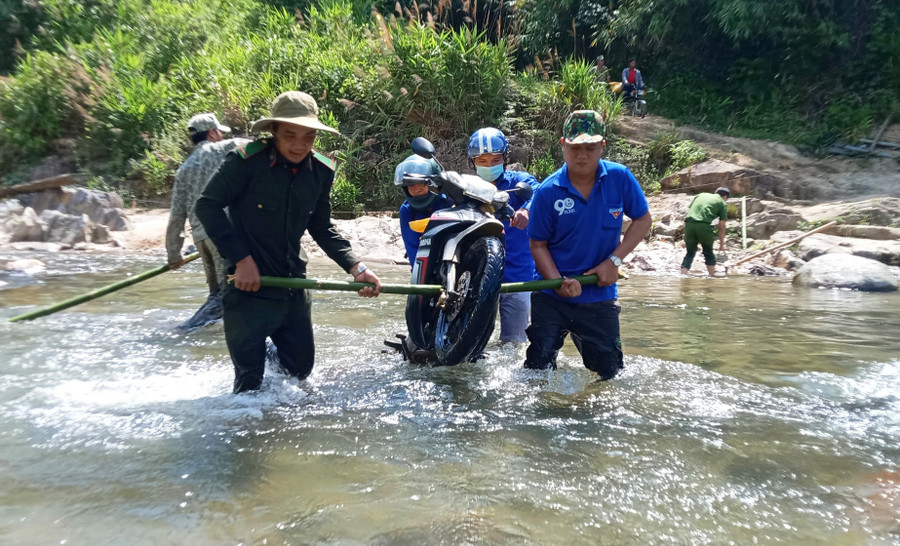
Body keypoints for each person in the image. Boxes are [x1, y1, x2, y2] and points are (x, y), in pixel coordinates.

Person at [195, 91, 382, 393]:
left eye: (308, 137)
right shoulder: (245, 162)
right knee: (248, 386)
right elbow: (207, 206)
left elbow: (321, 227)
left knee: (299, 371)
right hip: (247, 288)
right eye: (290, 135)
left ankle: (270, 355)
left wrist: (357, 267)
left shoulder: (321, 170)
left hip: (292, 285)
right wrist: (241, 259)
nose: (299, 145)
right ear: (273, 132)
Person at [524, 110, 652, 379]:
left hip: (599, 292)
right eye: (575, 148)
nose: (582, 155)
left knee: (610, 373)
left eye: (590, 148)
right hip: (550, 295)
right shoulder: (548, 191)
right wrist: (557, 281)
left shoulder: (620, 178)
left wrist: (613, 262)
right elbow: (538, 245)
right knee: (537, 370)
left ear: (602, 146)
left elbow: (643, 219)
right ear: (562, 146)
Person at [166, 113, 250, 332]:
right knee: (228, 294)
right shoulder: (224, 148)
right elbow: (259, 145)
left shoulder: (184, 169)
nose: (221, 135)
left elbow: (176, 216)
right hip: (223, 239)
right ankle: (186, 331)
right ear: (212, 133)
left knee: (216, 292)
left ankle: (206, 334)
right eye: (219, 131)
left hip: (202, 240)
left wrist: (174, 255)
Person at [467, 127, 540, 343]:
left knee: (515, 341)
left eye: (495, 159)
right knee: (470, 340)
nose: (489, 165)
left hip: (517, 275)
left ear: (505, 158)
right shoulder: (468, 187)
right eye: (482, 160)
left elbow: (540, 193)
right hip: (478, 276)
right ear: (472, 162)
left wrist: (526, 210)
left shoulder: (520, 181)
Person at [395, 154, 452, 267]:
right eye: (411, 185)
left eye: (422, 183)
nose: (417, 189)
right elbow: (412, 246)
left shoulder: (449, 203)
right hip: (423, 265)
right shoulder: (406, 210)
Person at [680, 187, 730, 276]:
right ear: (725, 197)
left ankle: (683, 275)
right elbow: (722, 227)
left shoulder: (700, 195)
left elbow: (693, 209)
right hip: (704, 226)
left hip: (689, 224)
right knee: (708, 252)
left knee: (690, 252)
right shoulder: (722, 203)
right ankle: (712, 276)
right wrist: (721, 244)